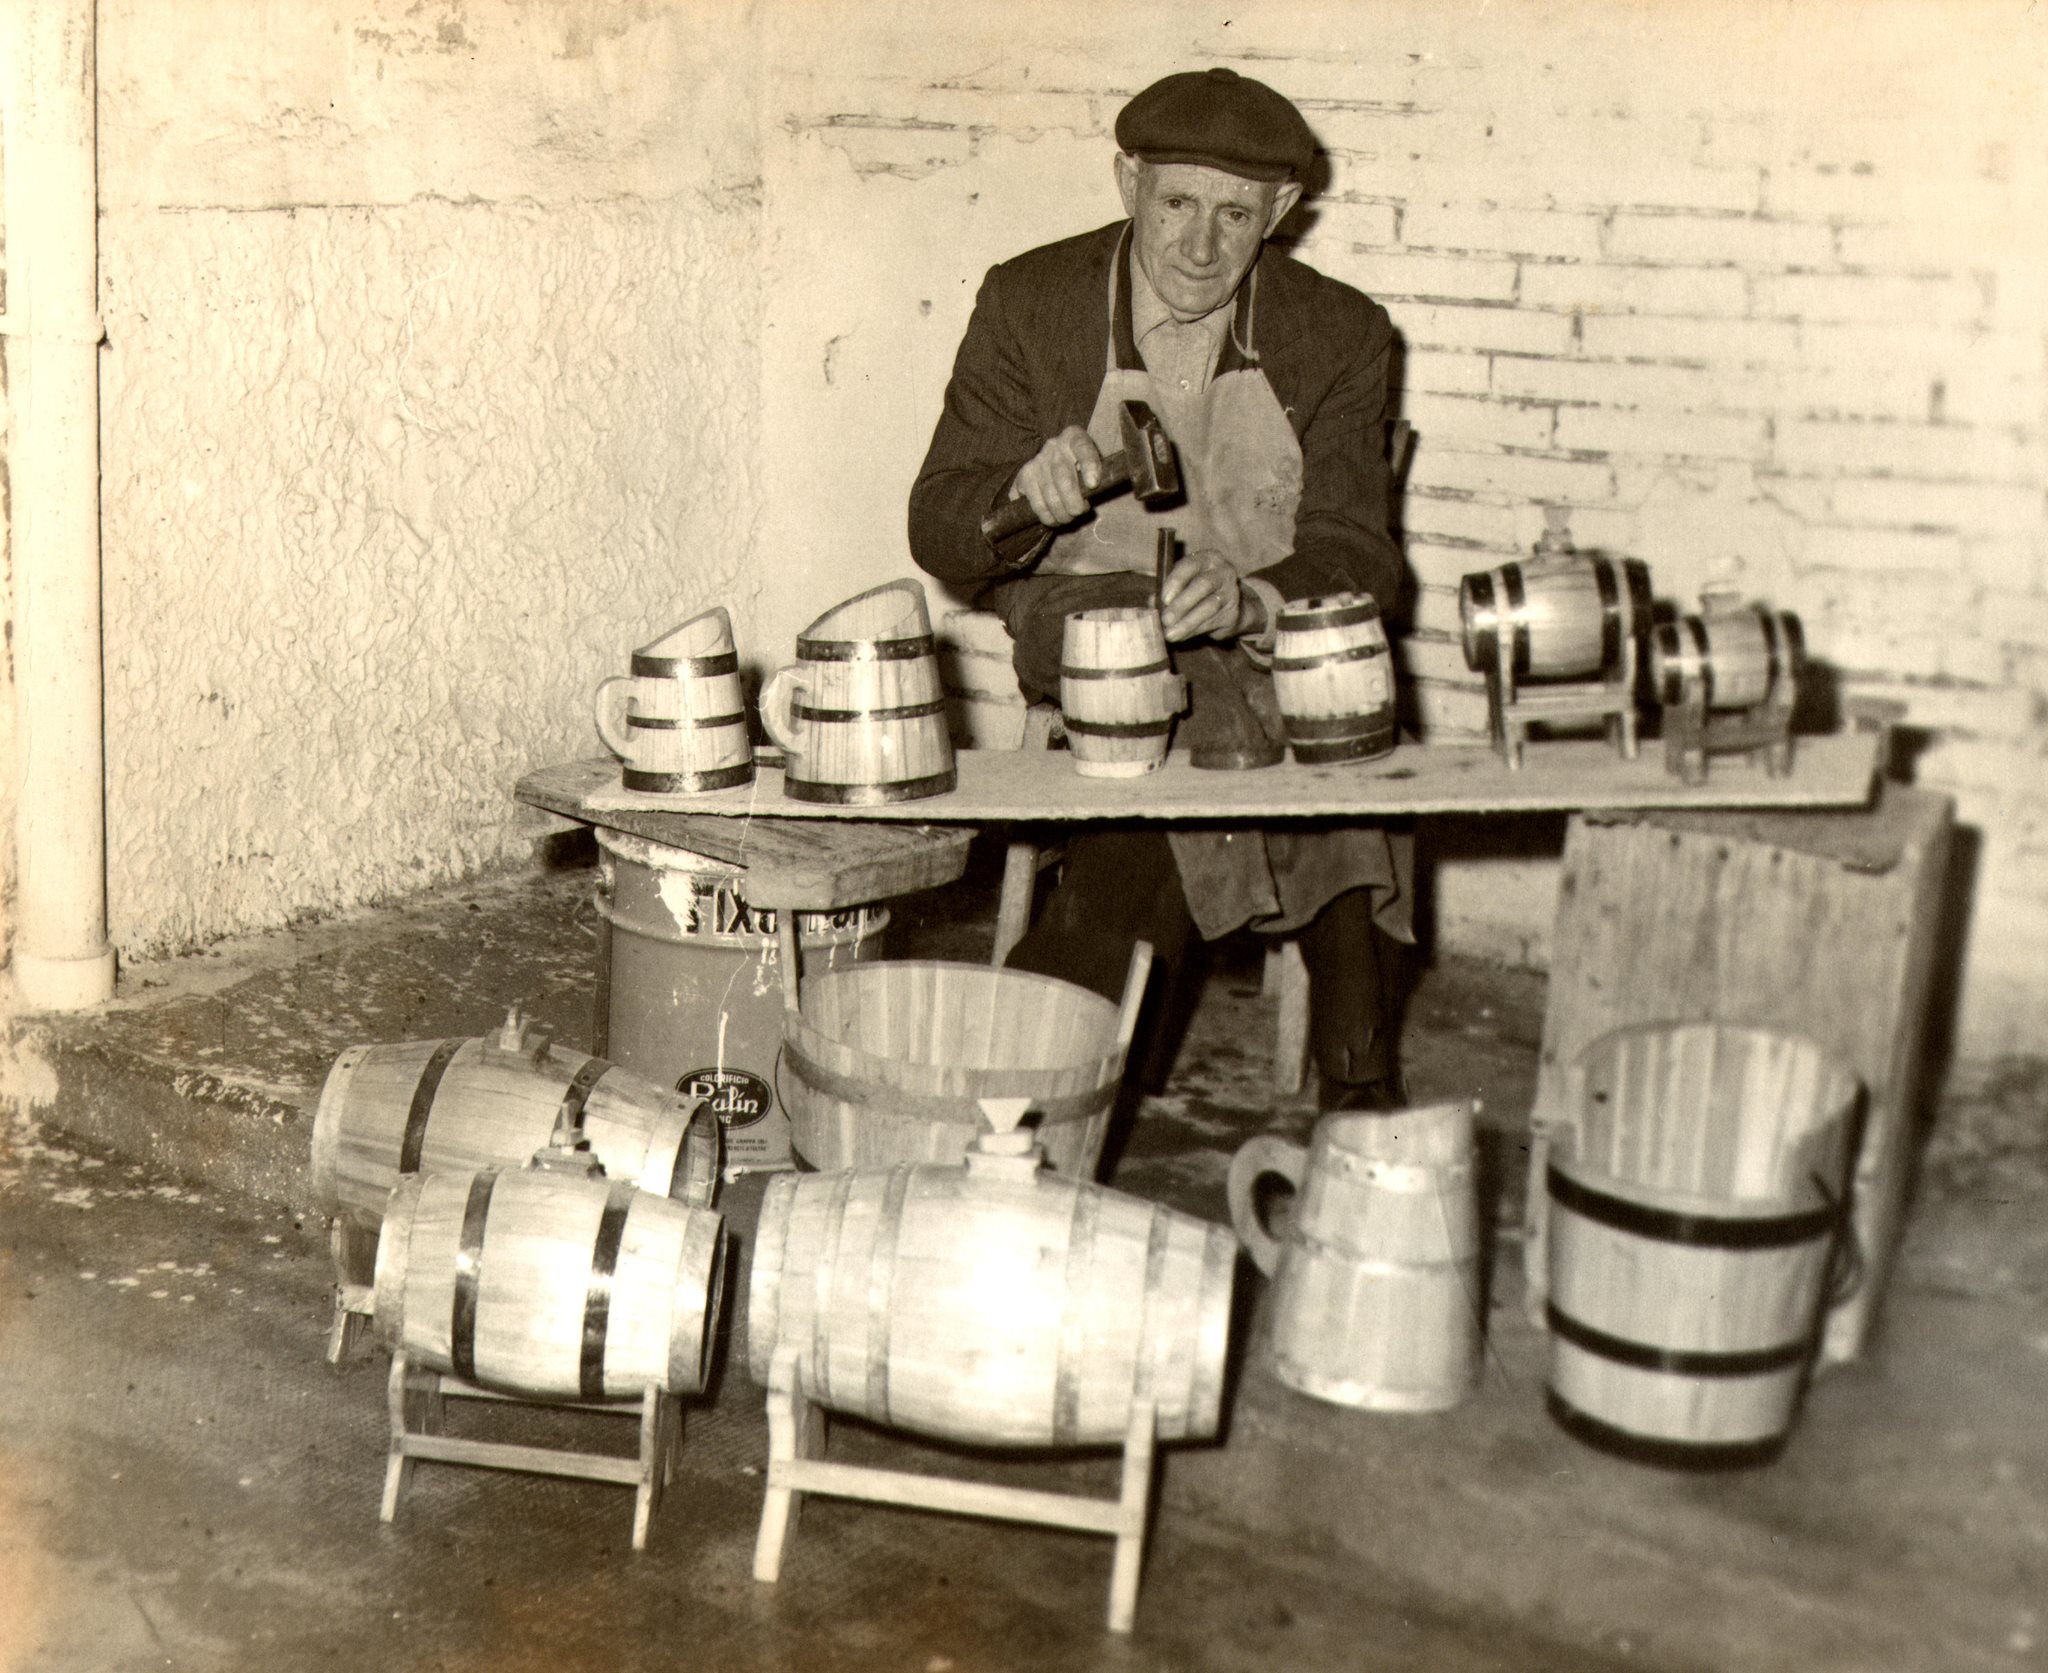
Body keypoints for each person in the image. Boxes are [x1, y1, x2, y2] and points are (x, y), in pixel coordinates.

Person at [908, 67, 1412, 1111]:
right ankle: (1357, 1058)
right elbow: (937, 526)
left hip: (1247, 628)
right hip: (1078, 607)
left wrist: (1252, 600)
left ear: (1281, 209)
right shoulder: (1032, 300)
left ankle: (1068, 1026)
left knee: (1283, 685)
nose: (1199, 246)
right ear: (1127, 180)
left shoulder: (1338, 331)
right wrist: (1020, 497)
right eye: (1176, 202)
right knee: (1191, 671)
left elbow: (1357, 553)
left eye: (1235, 215)